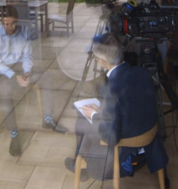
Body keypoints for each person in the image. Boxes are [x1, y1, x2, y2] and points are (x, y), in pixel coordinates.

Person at [64, 33, 169, 182]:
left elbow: (111, 136)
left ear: (101, 61)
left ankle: (79, 164)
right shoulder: (143, 72)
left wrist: (95, 115)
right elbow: (129, 105)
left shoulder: (110, 88)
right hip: (149, 140)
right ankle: (77, 162)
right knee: (87, 119)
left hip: (127, 148)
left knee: (82, 121)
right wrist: (103, 111)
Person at [0, 5, 67, 156]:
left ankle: (48, 119)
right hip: (3, 71)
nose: (9, 27)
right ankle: (14, 134)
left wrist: (27, 71)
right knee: (5, 91)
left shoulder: (24, 32)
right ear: (1, 22)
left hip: (21, 69)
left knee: (47, 78)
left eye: (12, 23)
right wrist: (14, 76)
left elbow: (27, 56)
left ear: (17, 21)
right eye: (5, 24)